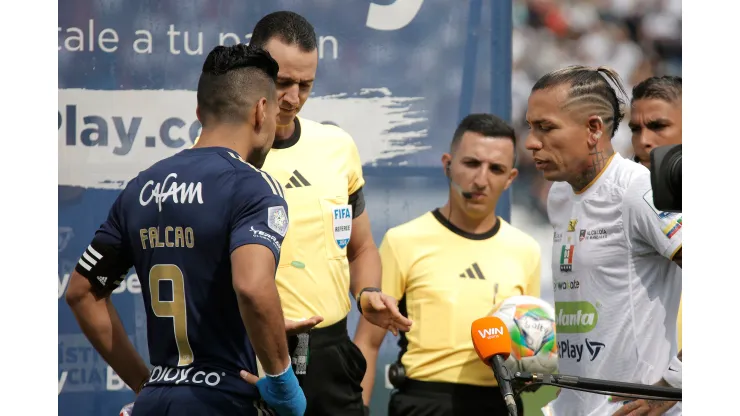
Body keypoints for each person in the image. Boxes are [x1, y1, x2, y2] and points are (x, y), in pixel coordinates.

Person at [65, 44, 306, 416]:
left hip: (154, 403)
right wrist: (284, 385)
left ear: (199, 113)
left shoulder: (141, 187)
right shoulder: (253, 186)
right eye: (276, 113)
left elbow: (82, 292)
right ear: (261, 111)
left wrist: (147, 385)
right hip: (222, 402)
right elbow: (253, 287)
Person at [239, 11, 413, 416]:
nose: (294, 98)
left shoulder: (337, 146)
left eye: (306, 84)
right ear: (252, 69)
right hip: (253, 352)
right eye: (282, 82)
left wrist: (367, 293)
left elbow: (362, 248)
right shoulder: (221, 154)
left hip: (331, 355)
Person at [355, 114, 542, 416]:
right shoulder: (403, 241)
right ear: (447, 164)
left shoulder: (526, 250)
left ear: (510, 179)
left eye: (496, 169)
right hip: (423, 402)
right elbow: (367, 342)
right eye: (471, 163)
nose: (481, 179)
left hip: (499, 402)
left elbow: (527, 348)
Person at [524, 65, 682, 416]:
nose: (531, 142)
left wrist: (677, 383)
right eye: (530, 126)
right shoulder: (559, 196)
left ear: (593, 128)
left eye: (545, 128)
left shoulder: (638, 190)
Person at [616, 75, 683, 416]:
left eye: (659, 126)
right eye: (635, 129)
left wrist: (677, 382)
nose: (644, 141)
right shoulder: (641, 199)